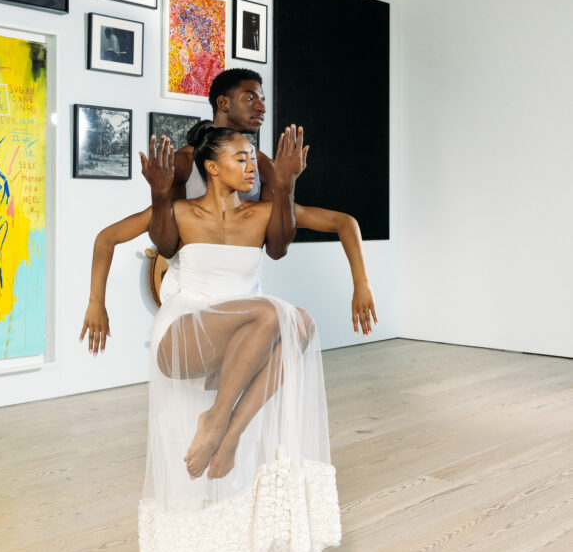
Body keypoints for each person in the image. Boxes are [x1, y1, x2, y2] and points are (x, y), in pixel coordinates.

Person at [136, 126, 341, 552]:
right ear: (211, 167)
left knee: (300, 322)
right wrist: (160, 193)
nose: (254, 167)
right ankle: (218, 419)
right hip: (185, 331)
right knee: (273, 311)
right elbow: (160, 246)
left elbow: (283, 244)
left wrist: (286, 186)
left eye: (254, 159)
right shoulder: (182, 212)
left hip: (244, 330)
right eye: (242, 159)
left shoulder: (264, 212)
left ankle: (229, 434)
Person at [79, 68, 377, 355]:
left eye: (262, 99)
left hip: (242, 288)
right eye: (250, 98)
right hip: (191, 292)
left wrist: (361, 283)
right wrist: (96, 300)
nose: (261, 107)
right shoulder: (185, 162)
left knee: (287, 333)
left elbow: (278, 247)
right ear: (223, 103)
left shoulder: (264, 168)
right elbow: (165, 241)